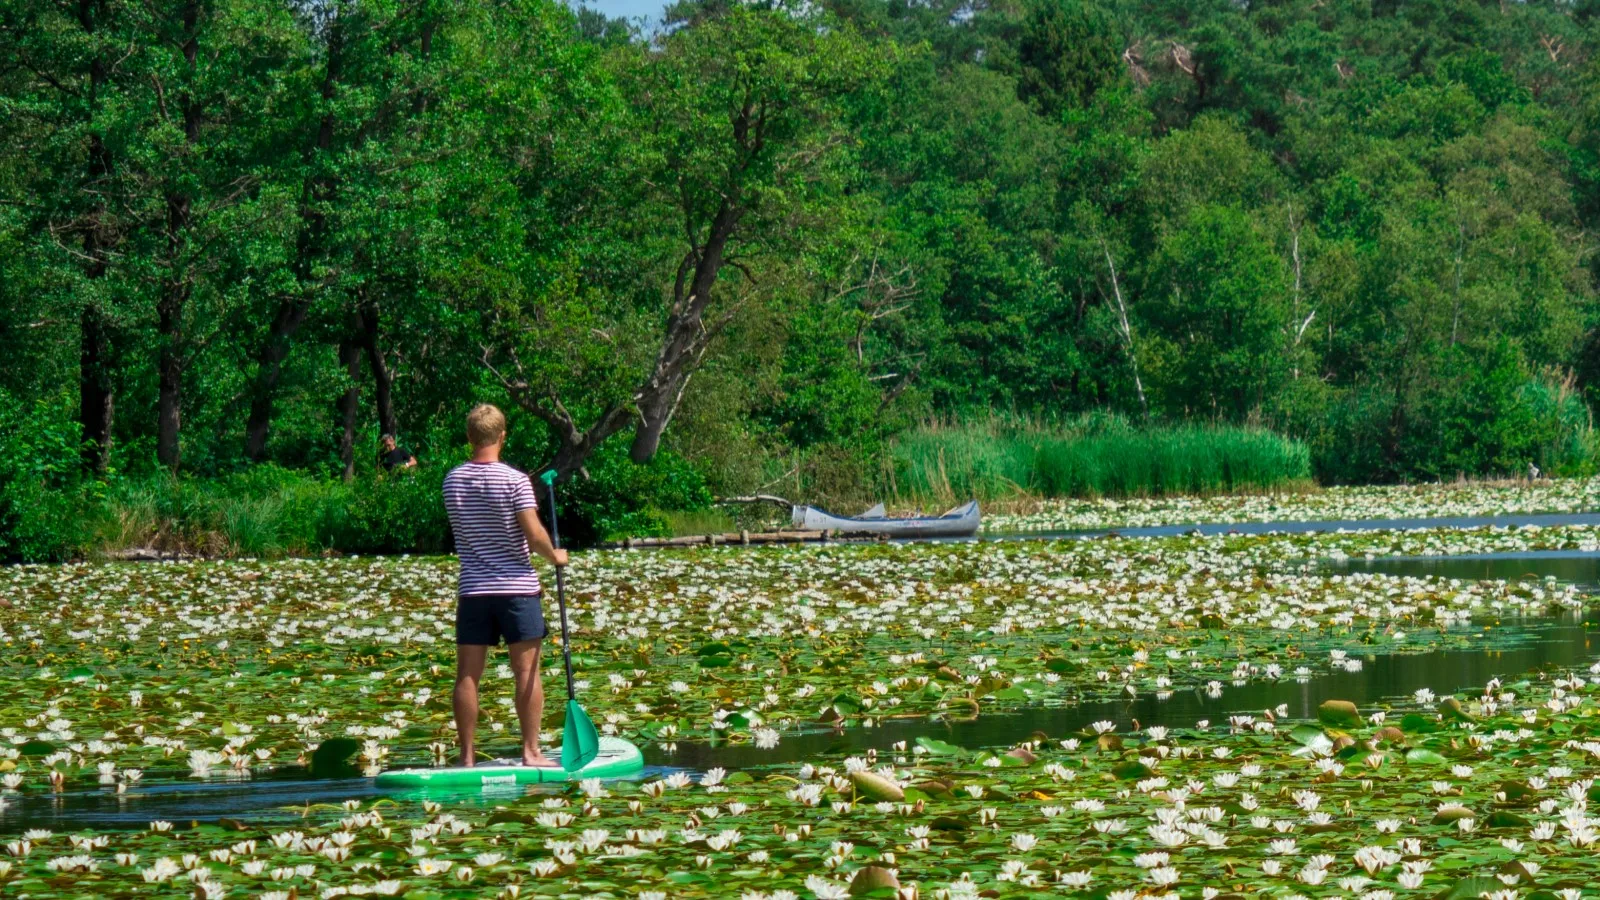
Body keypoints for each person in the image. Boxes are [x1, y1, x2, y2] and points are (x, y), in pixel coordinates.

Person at [441, 404, 568, 767]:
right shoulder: (515, 480)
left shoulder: (452, 480)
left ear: (469, 437)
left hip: (473, 590)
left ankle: (466, 757)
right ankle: (530, 751)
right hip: (516, 588)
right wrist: (555, 556)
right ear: (502, 436)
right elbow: (533, 533)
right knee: (527, 672)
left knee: (467, 674)